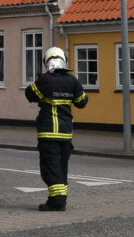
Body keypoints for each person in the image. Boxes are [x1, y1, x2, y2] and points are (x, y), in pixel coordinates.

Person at [24, 46, 88, 211]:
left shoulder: (45, 80)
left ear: (47, 62)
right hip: (66, 133)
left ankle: (57, 201)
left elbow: (30, 94)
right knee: (61, 166)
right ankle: (59, 199)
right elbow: (82, 102)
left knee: (50, 167)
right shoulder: (72, 80)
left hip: (48, 132)